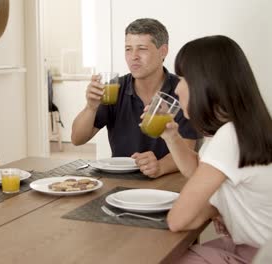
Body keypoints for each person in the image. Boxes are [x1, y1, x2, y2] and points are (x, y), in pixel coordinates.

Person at [162, 35, 272, 263]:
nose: (177, 89)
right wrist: (172, 136)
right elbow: (198, 171)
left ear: (205, 83)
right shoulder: (242, 127)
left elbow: (178, 220)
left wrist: (212, 207)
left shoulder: (229, 137)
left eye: (183, 79)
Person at [71, 18, 199, 178]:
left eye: (142, 49)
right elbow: (77, 139)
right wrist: (91, 107)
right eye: (128, 49)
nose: (134, 57)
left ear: (163, 51)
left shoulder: (182, 91)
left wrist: (159, 166)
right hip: (119, 180)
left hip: (167, 180)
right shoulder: (115, 88)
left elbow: (188, 149)